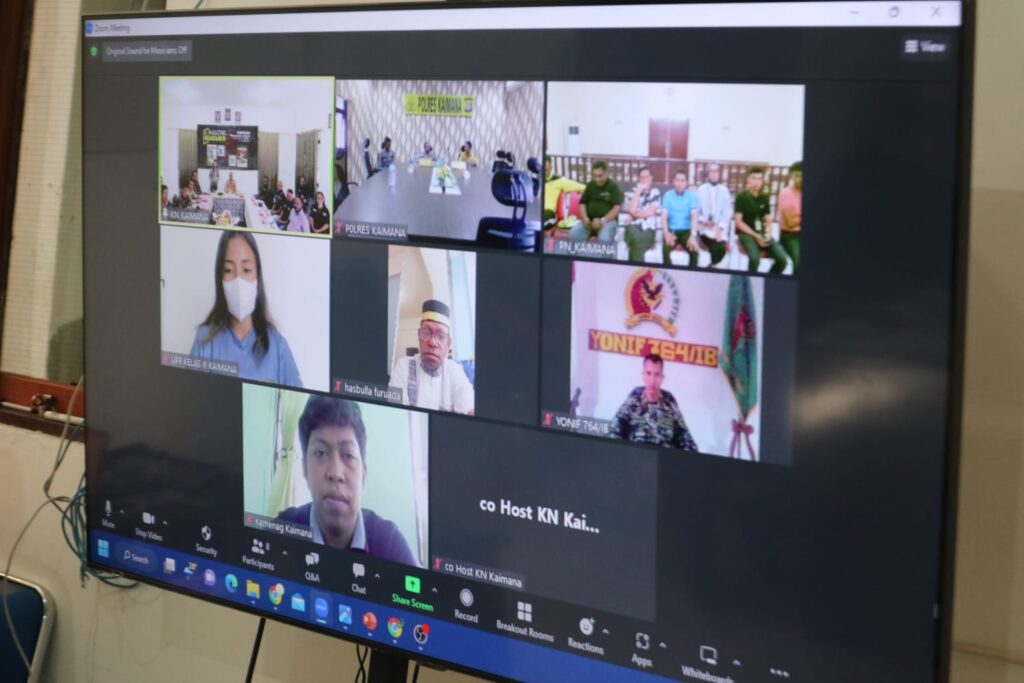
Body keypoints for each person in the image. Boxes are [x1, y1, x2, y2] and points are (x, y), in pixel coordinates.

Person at [275, 396, 418, 565]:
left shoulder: (390, 543)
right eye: (320, 453)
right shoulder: (281, 531)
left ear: (363, 476)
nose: (335, 473)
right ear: (305, 469)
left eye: (348, 455)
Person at [189, 230, 301, 386]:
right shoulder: (204, 340)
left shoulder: (277, 347)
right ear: (220, 278)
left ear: (257, 277)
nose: (238, 280)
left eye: (246, 270)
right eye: (228, 270)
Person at [389, 300, 474, 415]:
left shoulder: (455, 371)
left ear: (448, 344)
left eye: (441, 336)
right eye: (426, 333)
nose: (432, 342)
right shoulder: (403, 366)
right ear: (419, 336)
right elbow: (395, 413)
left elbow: (469, 409)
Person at [611, 354, 698, 451]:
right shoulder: (633, 400)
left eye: (657, 375)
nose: (652, 380)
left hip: (664, 458)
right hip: (635, 455)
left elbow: (689, 443)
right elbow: (613, 431)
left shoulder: (670, 404)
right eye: (648, 373)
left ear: (662, 378)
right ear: (643, 375)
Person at [734, 167, 787, 274]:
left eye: (759, 178)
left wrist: (768, 232)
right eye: (753, 178)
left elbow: (768, 218)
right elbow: (738, 222)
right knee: (755, 259)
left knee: (782, 259)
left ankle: (769, 277)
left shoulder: (764, 197)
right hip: (746, 233)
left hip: (761, 232)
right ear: (748, 180)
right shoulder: (741, 197)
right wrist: (756, 236)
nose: (757, 182)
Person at [570, 160, 622, 242]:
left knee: (604, 239)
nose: (598, 179)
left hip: (607, 221)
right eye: (595, 176)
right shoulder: (590, 186)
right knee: (573, 234)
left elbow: (617, 208)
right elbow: (582, 203)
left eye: (600, 176)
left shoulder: (613, 187)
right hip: (589, 221)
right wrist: (584, 218)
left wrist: (602, 221)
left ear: (606, 173)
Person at [694, 162, 731, 268]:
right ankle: (712, 268)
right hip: (704, 227)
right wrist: (703, 221)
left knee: (721, 247)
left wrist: (720, 228)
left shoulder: (724, 191)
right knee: (716, 247)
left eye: (716, 171)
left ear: (719, 173)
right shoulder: (701, 190)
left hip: (719, 228)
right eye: (712, 171)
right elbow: (696, 211)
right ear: (708, 173)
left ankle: (710, 267)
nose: (714, 174)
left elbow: (727, 213)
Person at [661, 169, 700, 266]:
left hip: (686, 232)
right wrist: (666, 234)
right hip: (672, 231)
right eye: (677, 180)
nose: (679, 183)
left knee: (694, 251)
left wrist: (693, 236)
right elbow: (664, 217)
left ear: (686, 183)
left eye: (682, 181)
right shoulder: (667, 196)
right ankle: (670, 273)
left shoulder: (692, 196)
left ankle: (690, 274)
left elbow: (694, 216)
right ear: (673, 182)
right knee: (665, 251)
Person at [623, 166, 662, 261]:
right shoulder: (632, 192)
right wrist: (638, 191)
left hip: (648, 228)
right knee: (635, 236)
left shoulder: (655, 192)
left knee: (638, 242)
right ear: (639, 179)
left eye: (647, 177)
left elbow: (650, 212)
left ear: (651, 178)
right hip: (632, 227)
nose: (644, 180)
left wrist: (634, 215)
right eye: (642, 178)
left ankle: (632, 267)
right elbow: (632, 210)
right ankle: (639, 268)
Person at [542, 157, 586, 233]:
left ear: (551, 167)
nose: (544, 172)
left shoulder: (559, 180)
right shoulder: (537, 181)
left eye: (546, 169)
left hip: (549, 214)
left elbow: (582, 187)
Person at [778, 161, 802, 274]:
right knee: (799, 262)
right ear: (791, 176)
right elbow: (790, 223)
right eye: (797, 175)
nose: (800, 179)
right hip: (790, 235)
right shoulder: (786, 193)